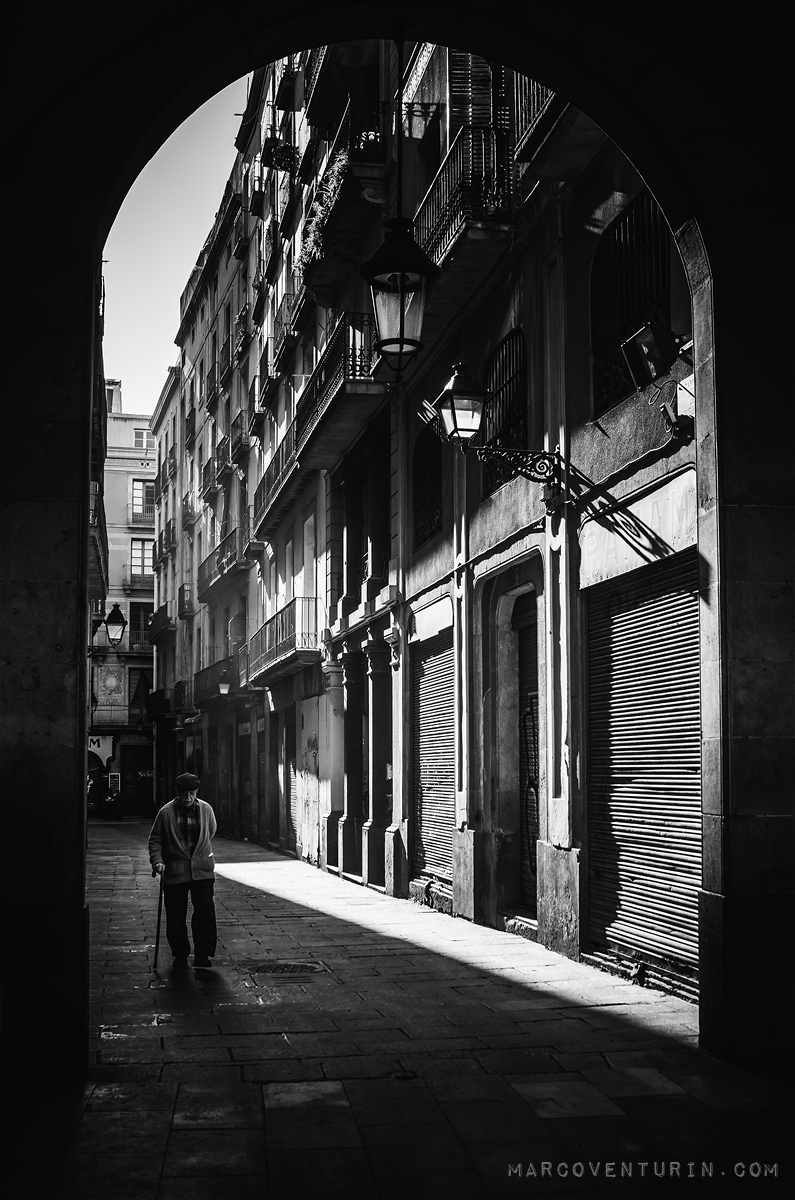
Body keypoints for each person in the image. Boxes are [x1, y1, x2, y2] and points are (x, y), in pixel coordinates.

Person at [148, 772, 218, 968]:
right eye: (184, 793)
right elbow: (155, 840)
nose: (188, 798)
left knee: (205, 912)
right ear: (177, 792)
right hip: (175, 872)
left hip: (202, 870)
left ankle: (203, 955)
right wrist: (157, 861)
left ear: (197, 792)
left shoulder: (206, 809)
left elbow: (210, 832)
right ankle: (180, 953)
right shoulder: (165, 813)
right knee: (176, 915)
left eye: (192, 793)